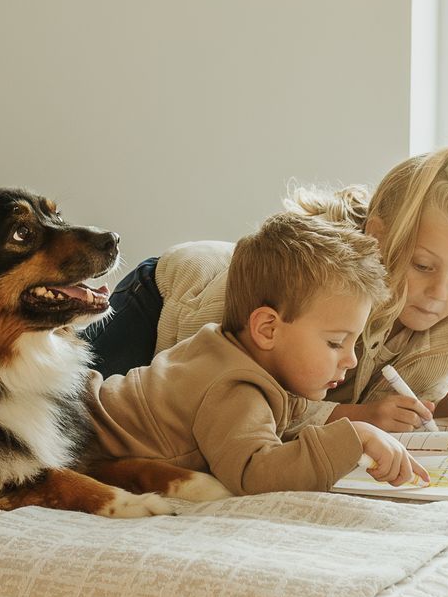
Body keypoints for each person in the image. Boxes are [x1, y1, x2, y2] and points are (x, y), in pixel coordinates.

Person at [84, 146, 448, 432]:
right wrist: (348, 418)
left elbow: (389, 398)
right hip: (166, 306)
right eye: (422, 265)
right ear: (377, 236)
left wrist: (444, 404)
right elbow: (228, 392)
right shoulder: (317, 285)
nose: (439, 293)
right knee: (75, 419)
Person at [80, 210, 427, 494]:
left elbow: (291, 419)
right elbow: (255, 474)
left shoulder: (230, 353)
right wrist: (355, 438)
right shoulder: (234, 387)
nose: (351, 360)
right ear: (268, 329)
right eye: (336, 343)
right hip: (77, 435)